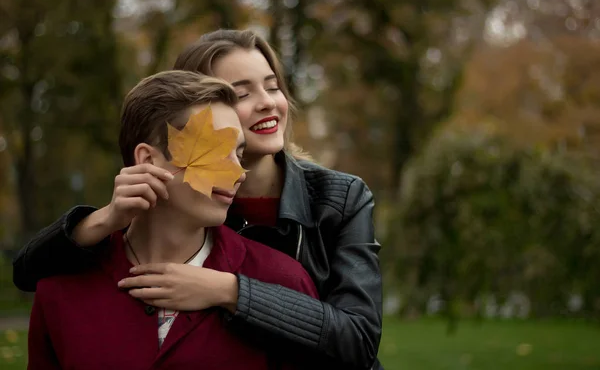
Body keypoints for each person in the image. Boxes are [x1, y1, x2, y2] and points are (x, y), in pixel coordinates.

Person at [14, 29, 383, 370]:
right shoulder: (176, 198)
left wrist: (227, 289)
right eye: (241, 93)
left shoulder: (338, 199)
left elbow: (359, 341)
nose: (267, 103)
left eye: (272, 86)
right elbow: (31, 273)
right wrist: (105, 218)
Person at [28, 70, 319, 370]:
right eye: (214, 151)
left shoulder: (282, 282)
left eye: (239, 154)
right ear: (148, 161)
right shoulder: (60, 289)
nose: (238, 175)